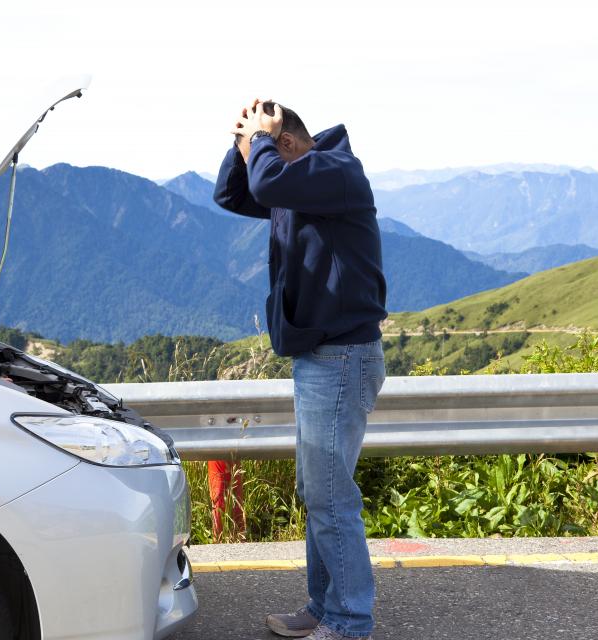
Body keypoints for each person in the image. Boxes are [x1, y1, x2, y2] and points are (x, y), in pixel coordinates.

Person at [213, 99, 387, 640]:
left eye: (262, 145)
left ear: (285, 143)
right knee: (320, 491)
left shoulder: (334, 172)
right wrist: (241, 140)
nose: (255, 156)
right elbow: (233, 193)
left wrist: (260, 142)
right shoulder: (294, 182)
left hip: (341, 357)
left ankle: (350, 621)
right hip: (321, 355)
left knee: (330, 494)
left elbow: (265, 185)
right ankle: (322, 607)